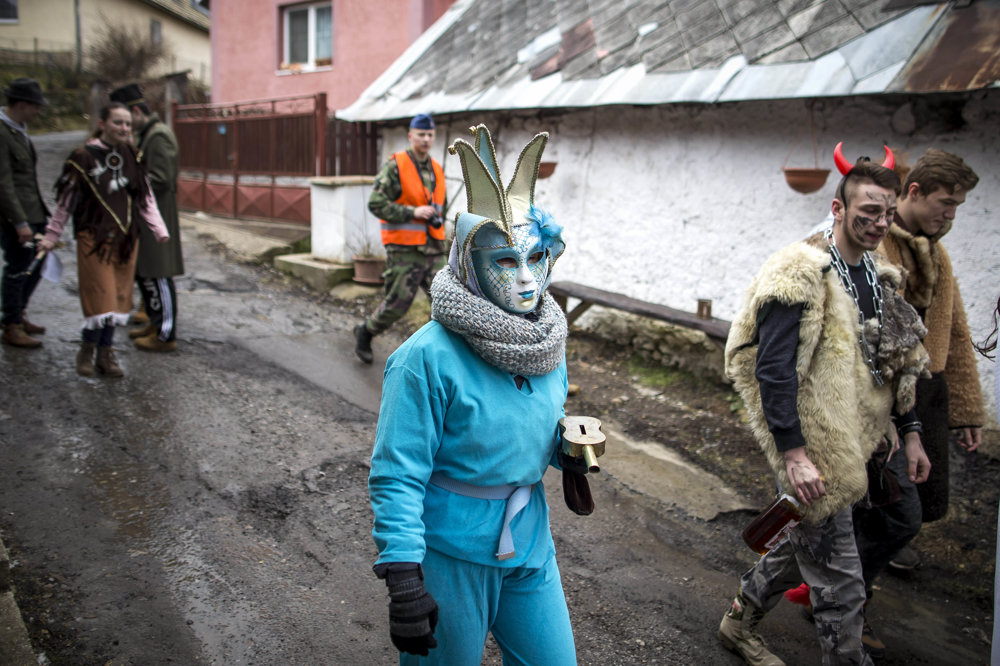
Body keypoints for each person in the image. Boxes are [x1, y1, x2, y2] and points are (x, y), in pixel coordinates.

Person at [368, 125, 588, 665]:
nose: (528, 280)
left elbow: (533, 421)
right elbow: (396, 472)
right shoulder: (425, 359)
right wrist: (403, 577)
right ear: (470, 261)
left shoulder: (545, 340)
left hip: (530, 543)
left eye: (536, 258)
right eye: (506, 261)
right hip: (451, 553)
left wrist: (569, 449)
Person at [718, 144, 930, 666]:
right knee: (842, 586)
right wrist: (794, 454)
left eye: (886, 212)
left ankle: (736, 623)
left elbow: (898, 361)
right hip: (815, 452)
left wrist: (911, 432)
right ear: (838, 209)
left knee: (797, 548)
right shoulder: (800, 274)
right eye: (867, 212)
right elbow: (771, 370)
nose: (879, 223)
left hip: (863, 442)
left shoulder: (881, 277)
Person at [876, 149, 985, 569]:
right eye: (947, 204)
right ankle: (855, 571)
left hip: (927, 387)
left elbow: (956, 332)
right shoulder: (879, 244)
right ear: (915, 191)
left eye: (957, 206)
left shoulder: (939, 257)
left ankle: (882, 550)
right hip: (886, 387)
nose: (951, 216)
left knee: (920, 492)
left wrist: (967, 409)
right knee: (883, 492)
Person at [38, 102, 169, 377]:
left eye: (127, 124)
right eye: (117, 123)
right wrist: (52, 234)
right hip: (93, 238)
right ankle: (87, 349)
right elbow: (66, 201)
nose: (123, 128)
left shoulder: (132, 154)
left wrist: (158, 229)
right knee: (101, 296)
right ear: (102, 124)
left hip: (125, 239)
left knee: (119, 297)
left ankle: (106, 354)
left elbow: (145, 198)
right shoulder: (83, 157)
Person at [353, 113, 446, 364]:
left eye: (429, 135)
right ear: (410, 136)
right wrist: (411, 212)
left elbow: (440, 207)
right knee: (398, 304)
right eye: (421, 135)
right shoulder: (397, 166)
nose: (426, 139)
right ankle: (366, 331)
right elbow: (376, 203)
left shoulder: (437, 169)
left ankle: (433, 355)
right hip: (404, 249)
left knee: (445, 302)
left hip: (434, 248)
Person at [109, 83, 184, 353]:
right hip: (146, 218)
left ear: (138, 111)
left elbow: (162, 179)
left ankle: (166, 335)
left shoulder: (159, 136)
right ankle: (155, 324)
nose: (126, 126)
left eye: (129, 120)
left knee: (160, 276)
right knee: (147, 275)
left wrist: (127, 182)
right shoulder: (147, 134)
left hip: (157, 218)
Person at [0, 78, 51, 348]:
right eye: (35, 106)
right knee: (19, 267)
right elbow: (4, 183)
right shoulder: (2, 132)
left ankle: (18, 312)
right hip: (16, 216)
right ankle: (11, 324)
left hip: (33, 211)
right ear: (20, 104)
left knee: (37, 264)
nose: (38, 111)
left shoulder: (18, 129)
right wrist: (19, 222)